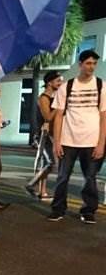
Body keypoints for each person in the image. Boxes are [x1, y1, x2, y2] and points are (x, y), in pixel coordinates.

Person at [48, 50, 106, 224]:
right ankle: (58, 209)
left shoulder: (101, 86)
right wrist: (56, 142)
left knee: (90, 178)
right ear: (80, 64)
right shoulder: (67, 86)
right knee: (62, 177)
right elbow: (58, 116)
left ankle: (88, 211)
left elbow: (104, 117)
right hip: (68, 140)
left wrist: (101, 143)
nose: (91, 67)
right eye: (88, 63)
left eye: (94, 63)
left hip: (92, 140)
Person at [25, 71, 63, 199]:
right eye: (58, 81)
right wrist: (58, 107)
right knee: (51, 163)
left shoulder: (55, 97)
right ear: (49, 83)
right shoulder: (43, 98)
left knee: (46, 163)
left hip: (52, 134)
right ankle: (31, 184)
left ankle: (42, 192)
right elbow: (47, 117)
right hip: (43, 135)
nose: (61, 83)